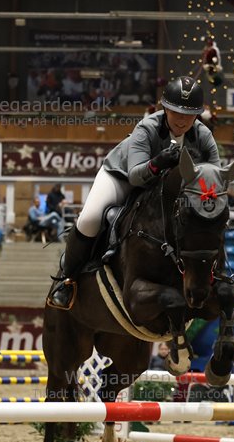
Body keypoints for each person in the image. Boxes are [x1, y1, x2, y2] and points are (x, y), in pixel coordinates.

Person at [47, 76, 219, 308]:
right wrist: (158, 162)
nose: (182, 120)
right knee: (89, 219)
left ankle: (215, 276)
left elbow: (214, 176)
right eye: (176, 112)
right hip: (120, 176)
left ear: (197, 115)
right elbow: (135, 177)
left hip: (163, 188)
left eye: (188, 114)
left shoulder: (203, 135)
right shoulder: (147, 128)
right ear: (165, 109)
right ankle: (67, 280)